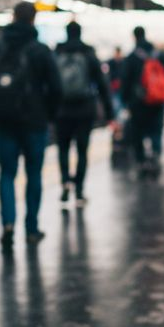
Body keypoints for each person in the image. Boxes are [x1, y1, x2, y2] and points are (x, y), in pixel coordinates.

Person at [0, 1, 61, 247]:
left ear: (13, 17)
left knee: (6, 174)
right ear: (33, 20)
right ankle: (31, 228)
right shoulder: (40, 50)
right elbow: (56, 87)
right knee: (33, 174)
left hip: (4, 121)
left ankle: (8, 224)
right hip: (35, 122)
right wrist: (48, 114)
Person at [54, 20, 113, 206]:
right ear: (80, 33)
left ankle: (65, 182)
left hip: (61, 110)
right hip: (84, 110)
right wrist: (110, 113)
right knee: (82, 150)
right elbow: (102, 84)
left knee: (63, 149)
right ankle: (79, 191)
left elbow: (49, 83)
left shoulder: (57, 52)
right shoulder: (88, 53)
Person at [122, 26, 164, 177]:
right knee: (156, 130)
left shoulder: (131, 57)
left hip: (138, 103)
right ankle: (155, 155)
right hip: (157, 101)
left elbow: (125, 81)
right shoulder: (158, 55)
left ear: (134, 37)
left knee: (138, 132)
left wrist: (125, 101)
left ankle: (141, 160)